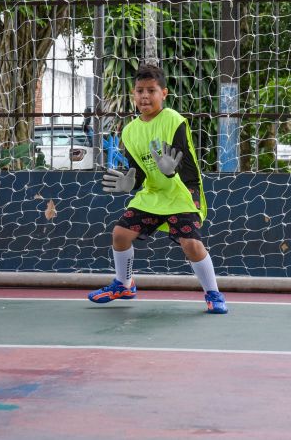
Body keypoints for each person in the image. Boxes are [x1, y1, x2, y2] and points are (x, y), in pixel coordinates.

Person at [88, 63, 228, 314]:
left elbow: (185, 165)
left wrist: (170, 170)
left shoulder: (174, 120)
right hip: (153, 193)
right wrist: (130, 183)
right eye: (139, 90)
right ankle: (124, 284)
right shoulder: (130, 131)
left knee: (191, 244)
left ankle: (213, 293)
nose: (144, 96)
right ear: (133, 94)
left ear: (163, 94)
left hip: (181, 190)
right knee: (120, 234)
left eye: (151, 90)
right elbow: (137, 172)